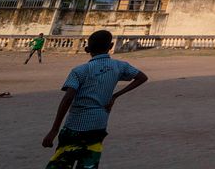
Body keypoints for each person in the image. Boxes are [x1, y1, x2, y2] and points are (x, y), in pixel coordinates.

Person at [41, 30, 148, 168]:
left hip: (75, 125)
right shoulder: (119, 66)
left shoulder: (80, 71)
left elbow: (67, 99)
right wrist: (115, 96)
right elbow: (142, 77)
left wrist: (54, 130)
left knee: (61, 163)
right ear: (110, 46)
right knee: (89, 164)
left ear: (87, 49)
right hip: (99, 125)